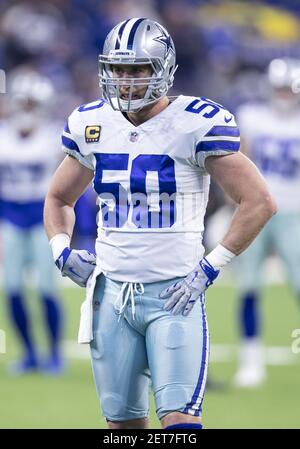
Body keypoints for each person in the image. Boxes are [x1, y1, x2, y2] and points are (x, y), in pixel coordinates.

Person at [44, 18, 276, 429]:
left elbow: (258, 201)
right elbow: (59, 197)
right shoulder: (90, 122)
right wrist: (60, 249)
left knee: (180, 424)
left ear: (164, 69)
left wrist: (211, 266)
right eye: (118, 69)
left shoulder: (196, 122)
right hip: (110, 296)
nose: (126, 81)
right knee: (122, 427)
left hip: (175, 294)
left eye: (137, 70)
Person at [233, 58, 300, 388]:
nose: (284, 95)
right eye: (280, 89)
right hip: (256, 212)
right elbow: (240, 163)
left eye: (289, 89)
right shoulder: (252, 117)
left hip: (294, 213)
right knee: (248, 286)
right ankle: (251, 361)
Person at [0, 69, 64, 375]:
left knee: (46, 288)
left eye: (30, 104)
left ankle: (53, 352)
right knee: (11, 288)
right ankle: (28, 352)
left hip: (42, 217)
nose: (25, 110)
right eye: (21, 103)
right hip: (10, 216)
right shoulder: (2, 135)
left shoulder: (54, 137)